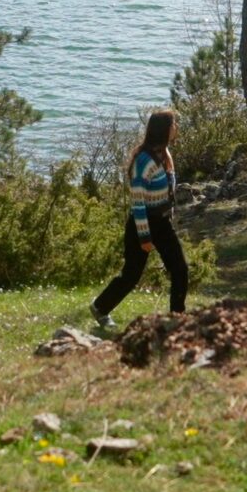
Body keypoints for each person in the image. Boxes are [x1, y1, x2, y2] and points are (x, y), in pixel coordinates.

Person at [91, 108, 187, 329]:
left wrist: (168, 215)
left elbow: (168, 189)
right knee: (131, 275)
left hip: (162, 223)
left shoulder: (164, 153)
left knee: (180, 269)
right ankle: (100, 308)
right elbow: (138, 204)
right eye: (173, 124)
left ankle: (178, 318)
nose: (176, 128)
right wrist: (144, 237)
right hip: (141, 225)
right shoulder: (143, 161)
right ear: (164, 129)